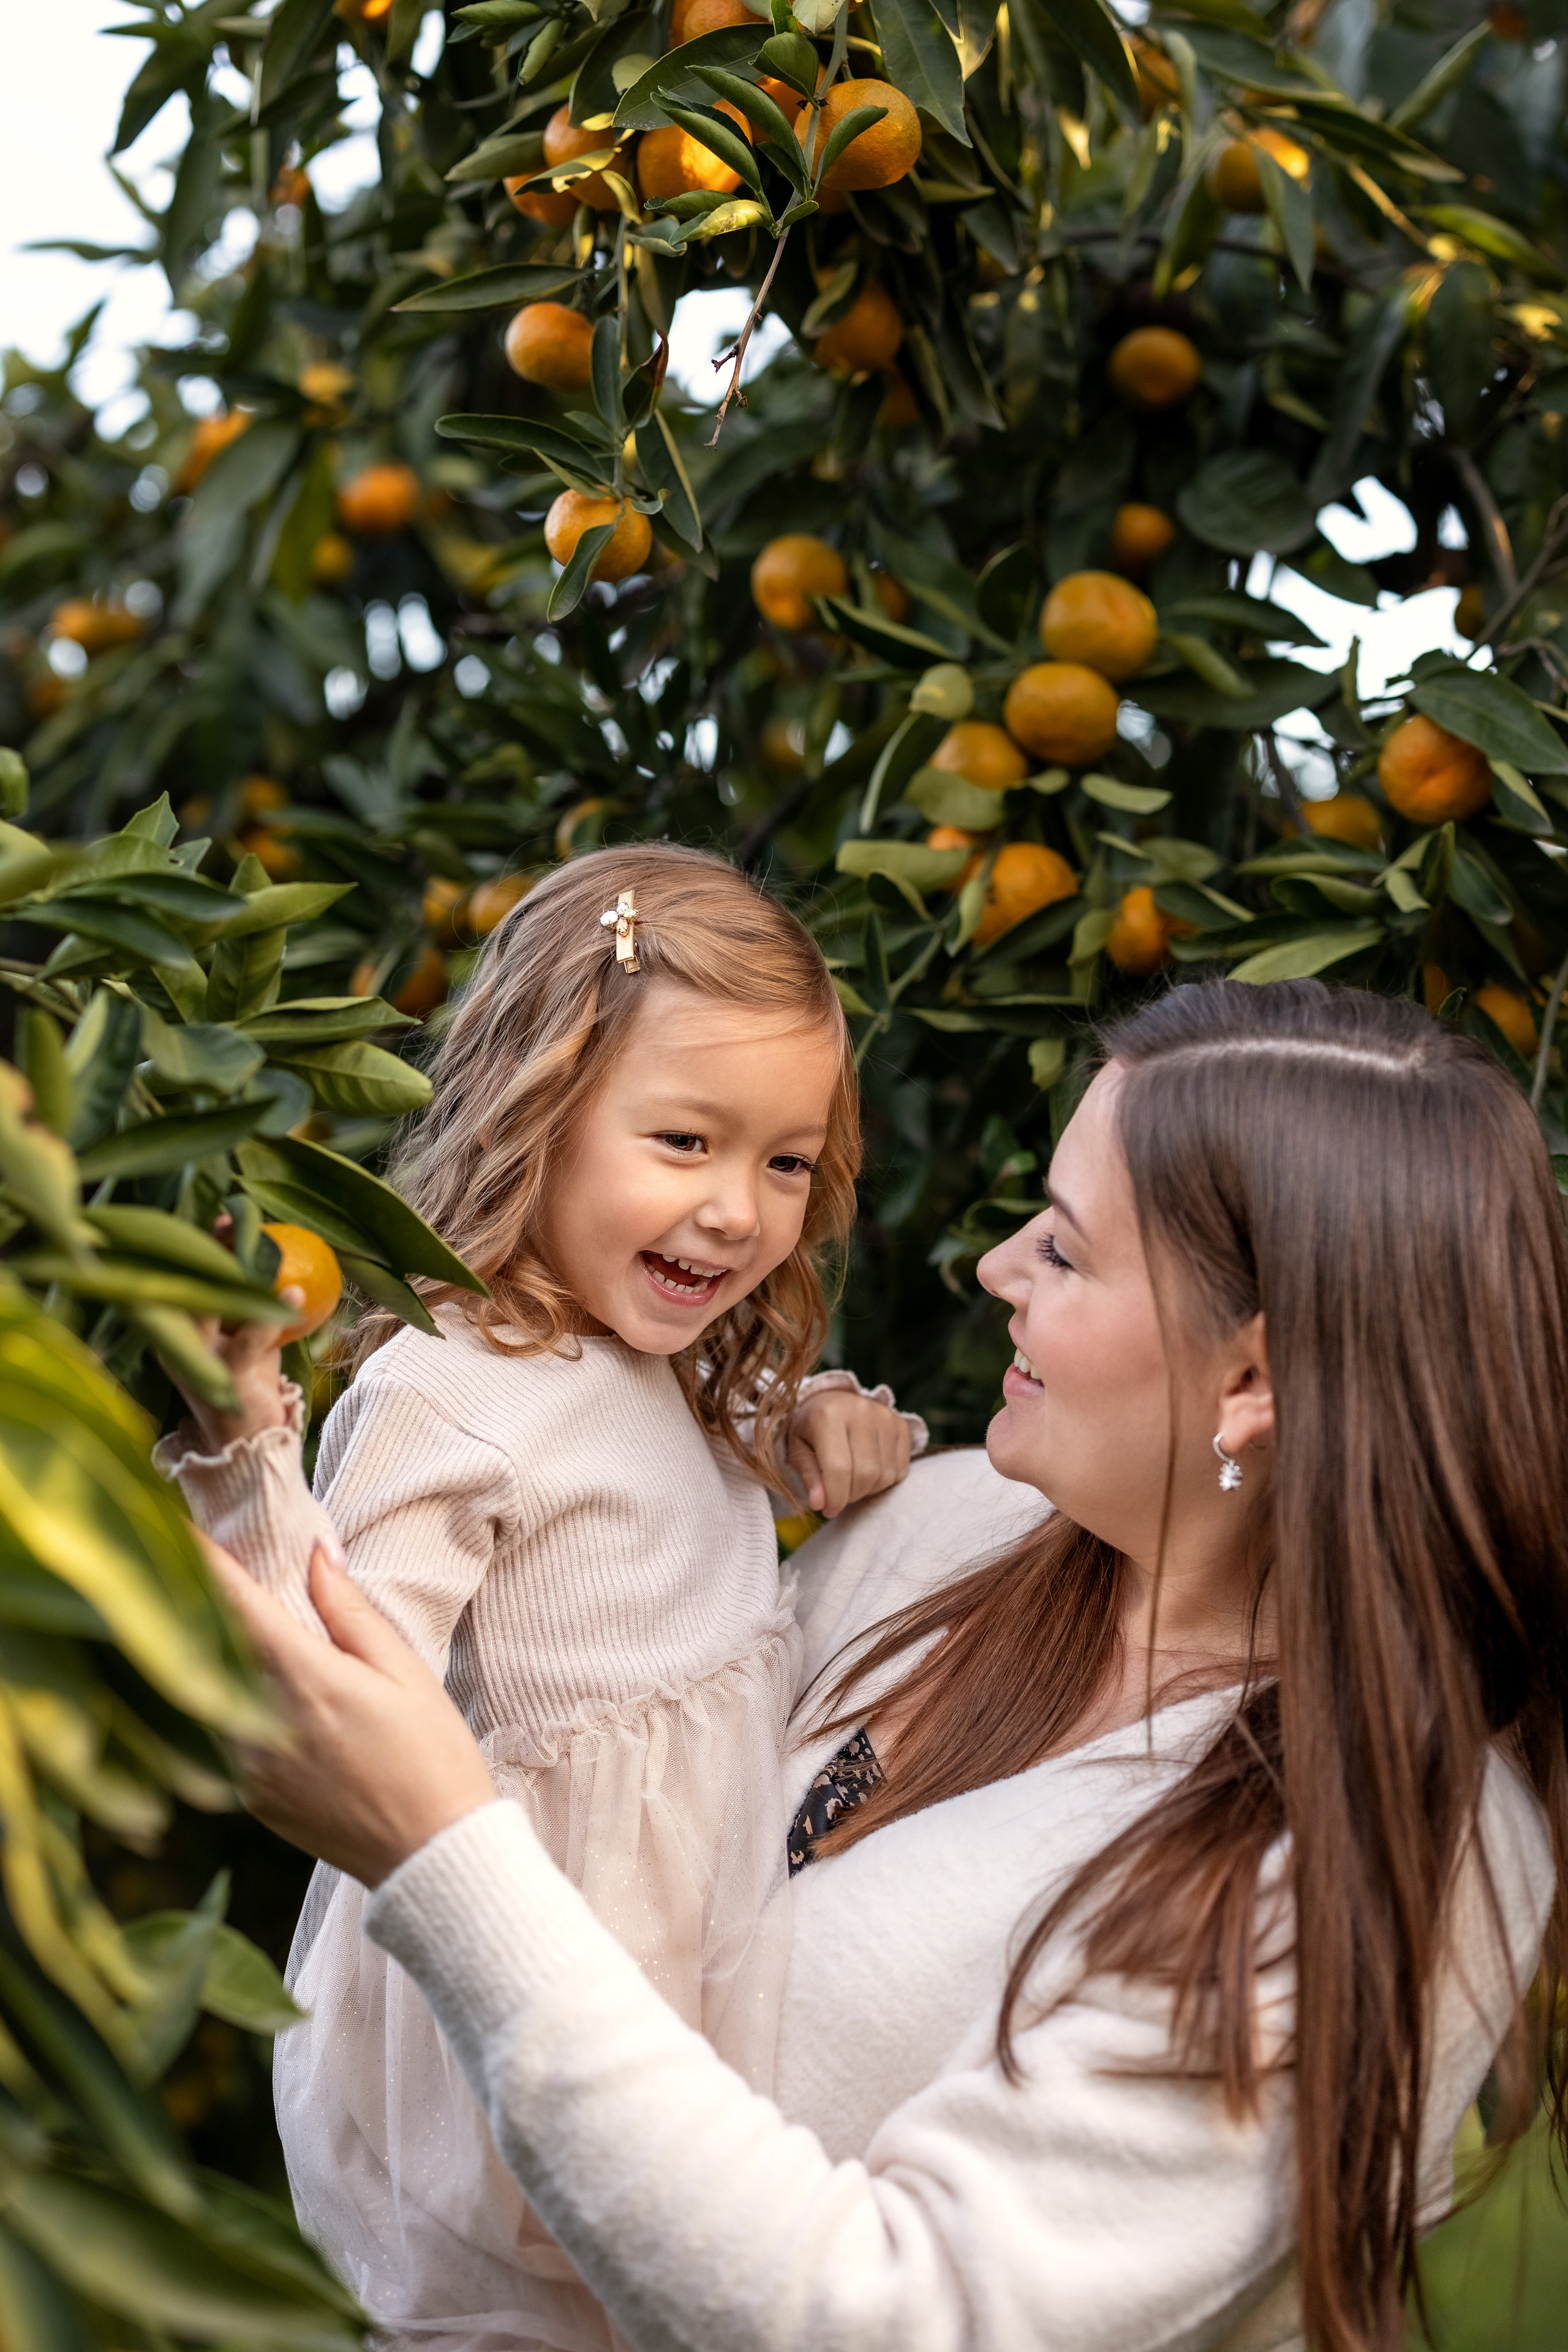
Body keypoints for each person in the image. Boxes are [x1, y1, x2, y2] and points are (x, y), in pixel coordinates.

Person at [203, 978, 1566, 2352]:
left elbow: (898, 2316)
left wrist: (444, 1863)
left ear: (1250, 1383)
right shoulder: (936, 1530)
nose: (996, 1270)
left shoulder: (1387, 1859)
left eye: (1068, 1252)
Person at [156, 846, 924, 2351]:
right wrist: (244, 1442)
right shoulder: (451, 1390)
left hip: (680, 1970)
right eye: (686, 1141)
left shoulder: (672, 1366)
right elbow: (319, 1663)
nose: (735, 1212)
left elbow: (740, 1451)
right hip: (532, 1980)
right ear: (540, 1108)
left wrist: (832, 1420)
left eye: (781, 1162)